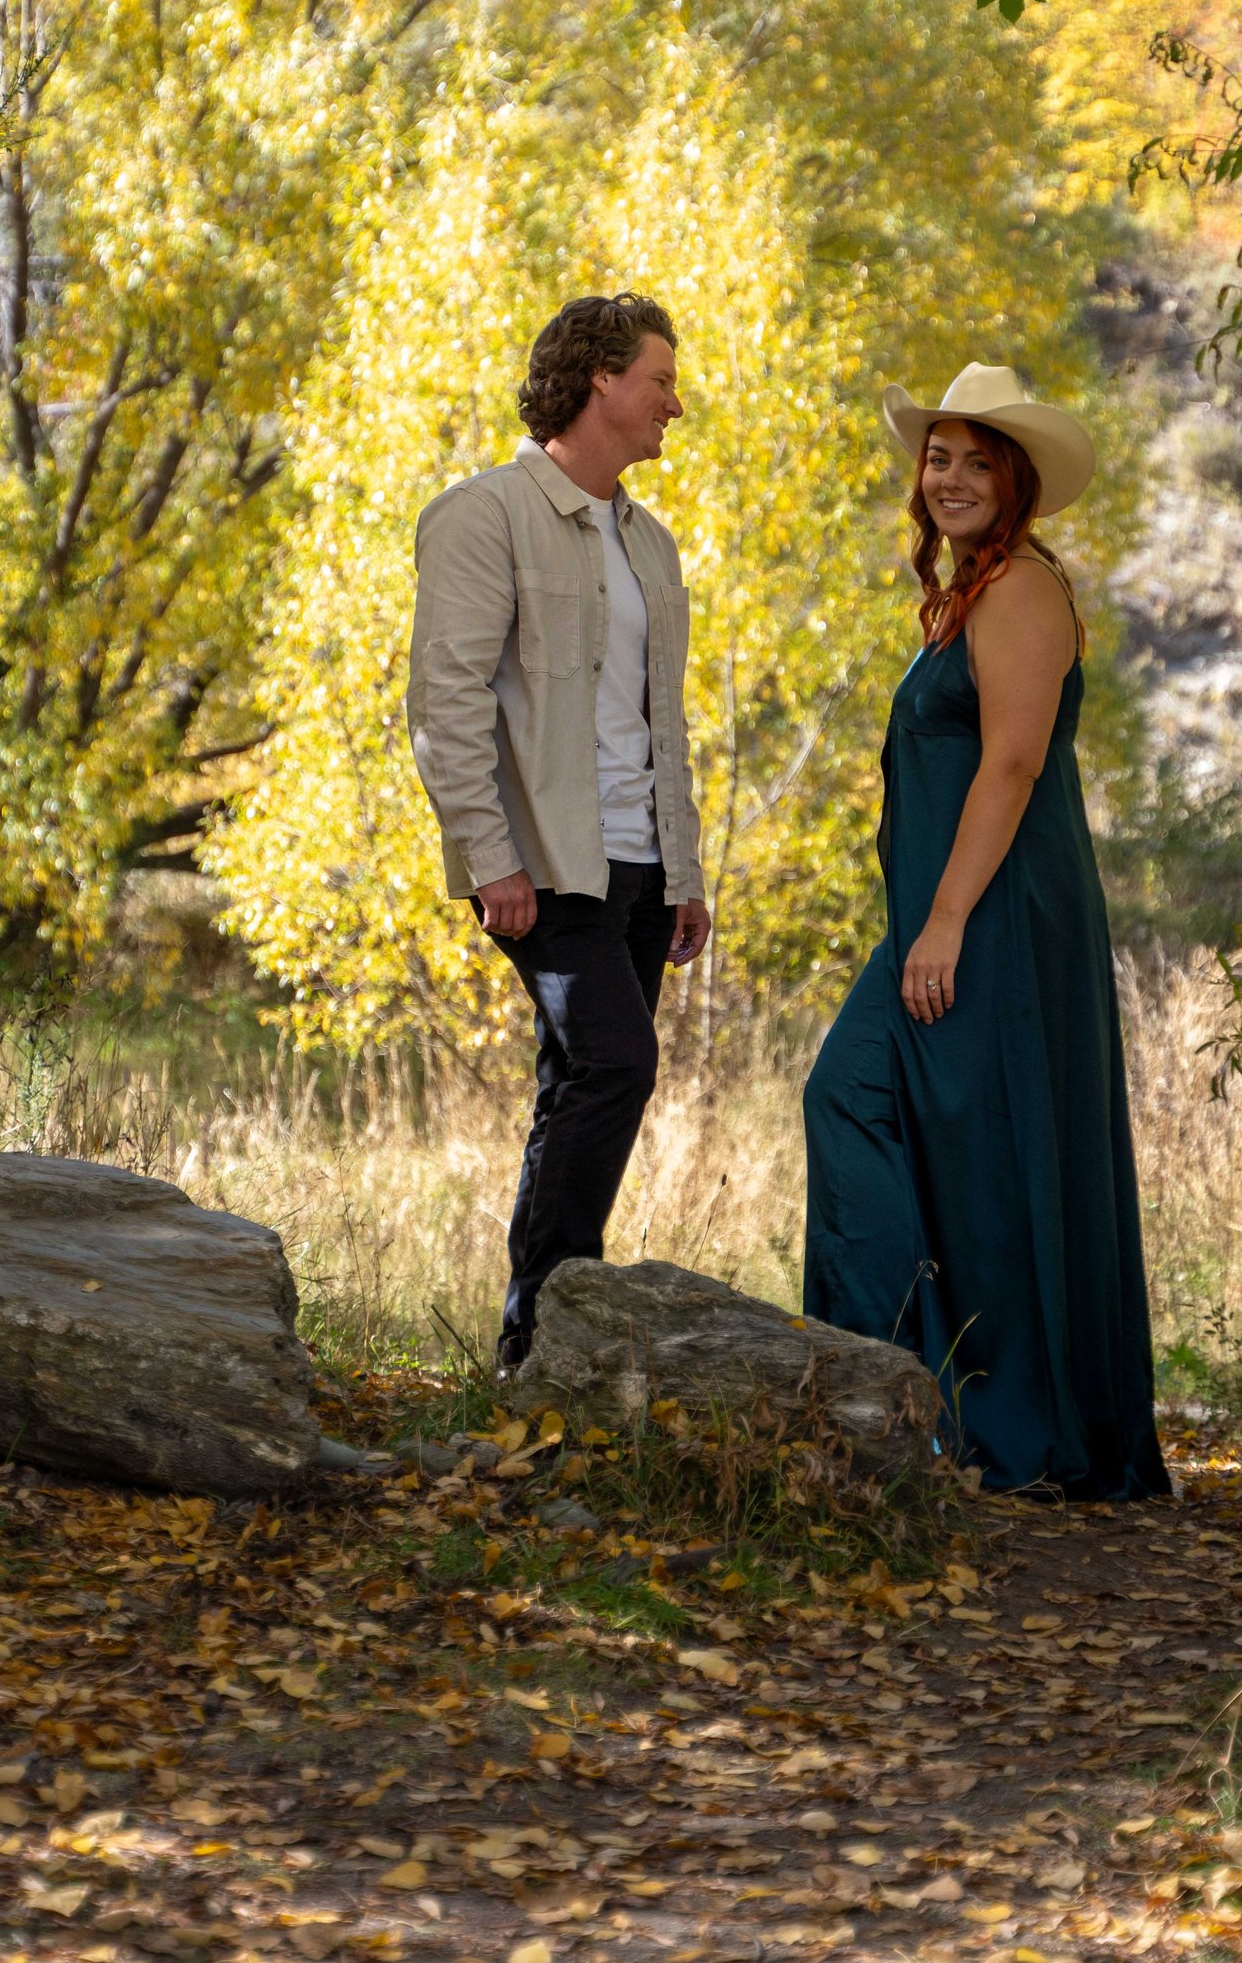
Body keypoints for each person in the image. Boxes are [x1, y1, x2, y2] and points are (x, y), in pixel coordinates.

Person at [802, 364, 1168, 1502]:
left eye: (975, 460)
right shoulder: (971, 591)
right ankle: (916, 1403)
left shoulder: (1021, 593)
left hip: (996, 918)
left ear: (1016, 480)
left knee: (911, 1119)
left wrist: (947, 920)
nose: (950, 478)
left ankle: (964, 1416)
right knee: (922, 1132)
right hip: (950, 917)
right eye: (938, 457)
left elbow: (1010, 765)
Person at [406, 295, 711, 1371]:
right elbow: (444, 704)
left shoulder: (650, 541)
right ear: (599, 383)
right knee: (618, 1064)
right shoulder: (483, 515)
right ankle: (546, 1326)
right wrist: (492, 858)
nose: (677, 402)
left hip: (640, 861)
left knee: (578, 1081)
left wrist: (685, 870)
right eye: (661, 380)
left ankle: (532, 1346)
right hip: (545, 864)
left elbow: (659, 721)